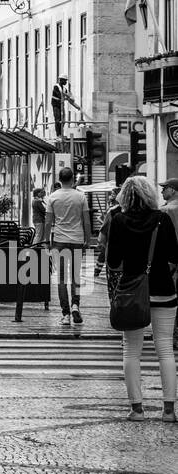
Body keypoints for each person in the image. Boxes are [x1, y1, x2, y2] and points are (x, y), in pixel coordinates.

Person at [104, 175, 178, 421]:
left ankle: (137, 409)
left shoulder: (119, 220)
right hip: (163, 290)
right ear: (149, 194)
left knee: (131, 351)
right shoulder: (162, 219)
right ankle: (169, 410)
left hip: (131, 291)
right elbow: (175, 256)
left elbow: (113, 261)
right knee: (165, 349)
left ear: (125, 196)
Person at [44, 166, 92, 325]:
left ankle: (65, 314)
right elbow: (86, 220)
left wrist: (46, 241)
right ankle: (75, 305)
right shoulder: (81, 197)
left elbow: (48, 221)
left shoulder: (52, 197)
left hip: (59, 241)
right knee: (76, 276)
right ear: (72, 179)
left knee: (62, 279)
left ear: (59, 179)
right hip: (77, 240)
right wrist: (88, 239)